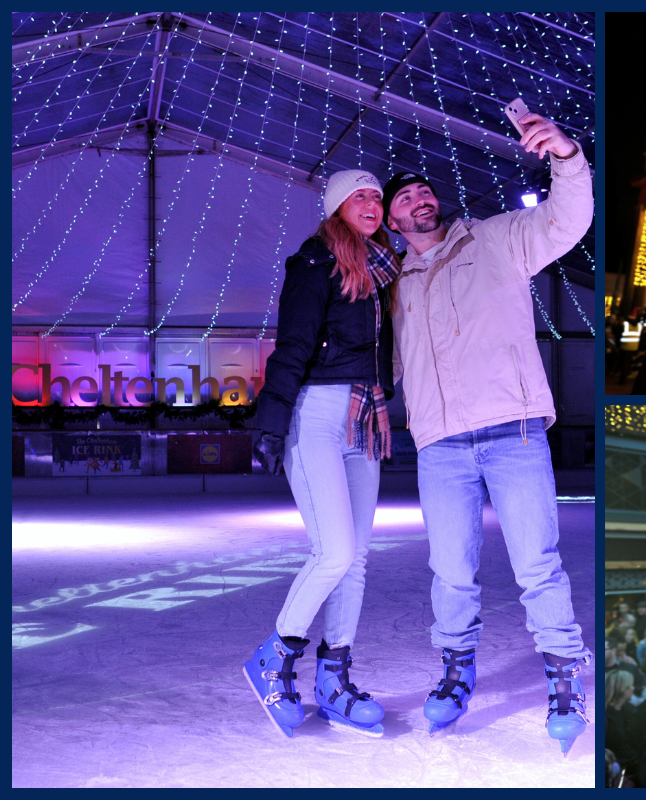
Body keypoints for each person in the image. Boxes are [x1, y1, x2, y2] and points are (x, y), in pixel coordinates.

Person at [382, 110, 594, 751]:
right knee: (450, 570)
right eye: (404, 199)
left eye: (425, 191)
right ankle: (455, 671)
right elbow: (384, 365)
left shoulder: (495, 239)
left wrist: (566, 157)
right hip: (440, 444)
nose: (420, 199)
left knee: (537, 564)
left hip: (513, 430)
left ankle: (564, 673)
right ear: (391, 221)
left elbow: (568, 220)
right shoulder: (394, 288)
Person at [247, 169, 401, 738]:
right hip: (315, 413)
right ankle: (274, 658)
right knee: (334, 551)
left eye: (377, 197)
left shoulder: (385, 271)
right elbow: (293, 343)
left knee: (355, 558)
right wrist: (271, 422)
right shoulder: (314, 262)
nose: (373, 204)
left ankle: (333, 681)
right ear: (337, 206)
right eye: (360, 196)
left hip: (365, 413)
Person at [605, 670, 644, 778]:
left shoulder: (630, 710)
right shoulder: (606, 716)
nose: (633, 688)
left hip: (636, 770)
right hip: (615, 774)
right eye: (631, 685)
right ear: (623, 689)